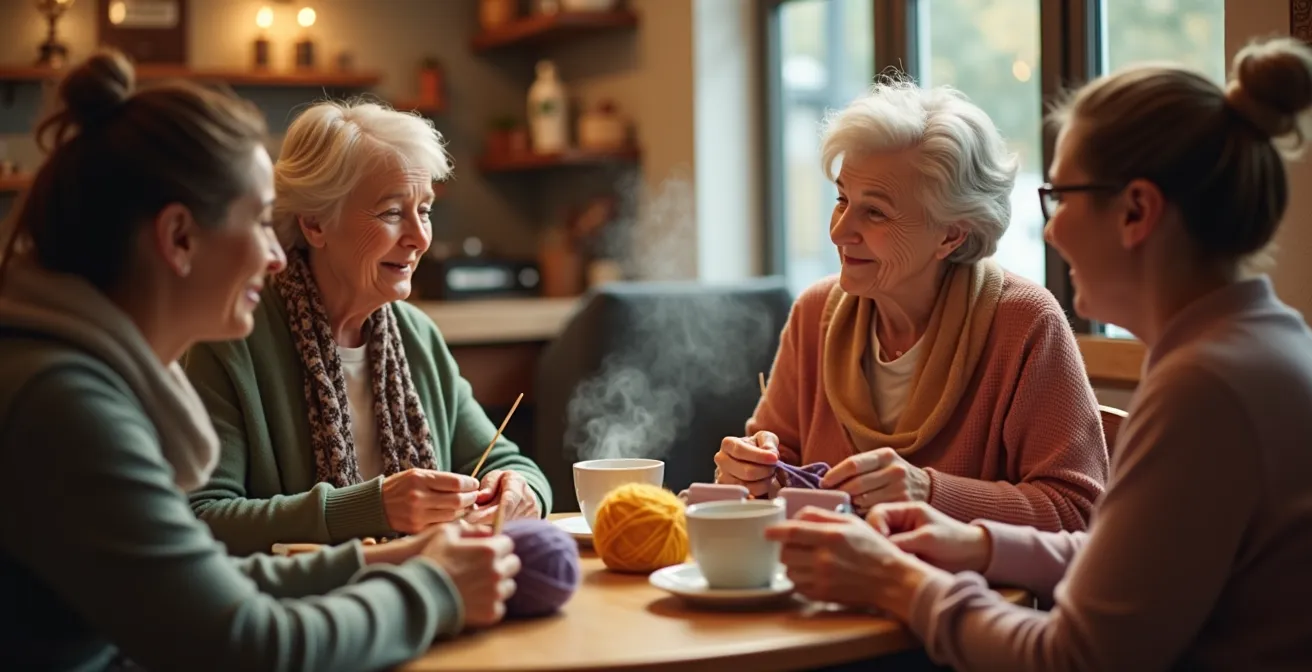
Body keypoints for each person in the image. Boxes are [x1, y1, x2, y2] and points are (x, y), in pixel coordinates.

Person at [766, 36, 1312, 670]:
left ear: (1136, 211)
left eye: (1061, 197)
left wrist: (896, 581)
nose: (1049, 229)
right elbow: (1132, 561)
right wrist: (977, 544)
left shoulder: (1207, 386)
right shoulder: (1253, 348)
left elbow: (1074, 656)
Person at [0, 51, 519, 671]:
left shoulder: (69, 375)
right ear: (179, 239)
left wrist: (393, 559)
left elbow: (205, 581)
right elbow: (246, 642)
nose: (277, 255)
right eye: (257, 221)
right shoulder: (65, 406)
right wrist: (436, 589)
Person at [716, 77, 1107, 531]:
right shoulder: (814, 313)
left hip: (963, 600)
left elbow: (1077, 512)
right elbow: (773, 465)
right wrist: (747, 475)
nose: (840, 231)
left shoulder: (1024, 323)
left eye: (875, 212)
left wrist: (929, 493)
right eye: (843, 199)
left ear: (951, 234)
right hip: (825, 592)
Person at [184, 100, 552, 556]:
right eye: (393, 213)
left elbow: (511, 462)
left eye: (426, 210)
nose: (419, 238)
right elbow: (202, 517)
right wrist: (373, 506)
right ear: (315, 223)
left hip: (428, 594)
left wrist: (519, 492)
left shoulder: (416, 335)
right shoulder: (231, 340)